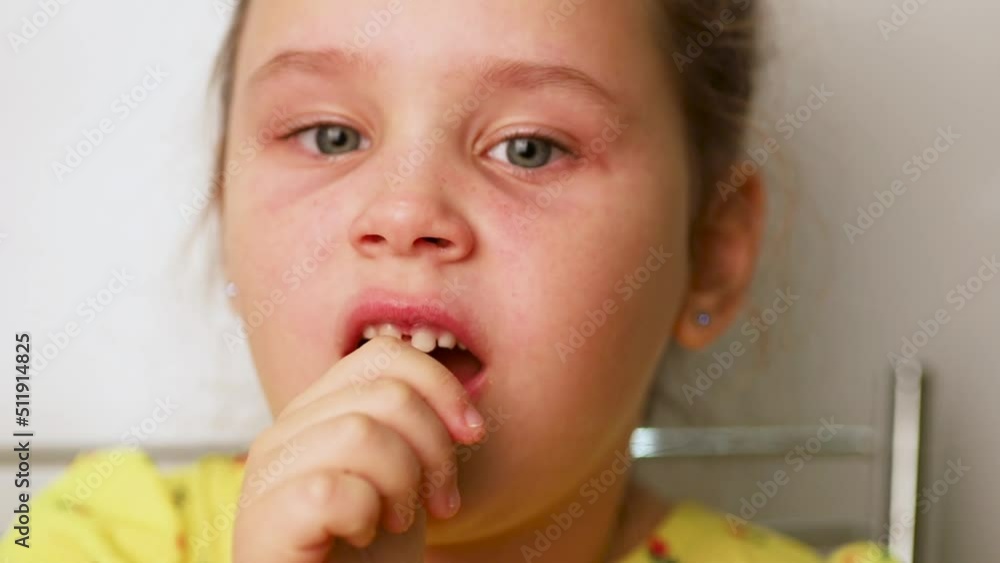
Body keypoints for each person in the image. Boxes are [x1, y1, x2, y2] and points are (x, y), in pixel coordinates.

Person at [1, 1, 899, 561]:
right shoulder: (83, 541)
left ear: (711, 252)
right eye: (330, 135)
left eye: (529, 148)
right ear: (223, 197)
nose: (405, 210)